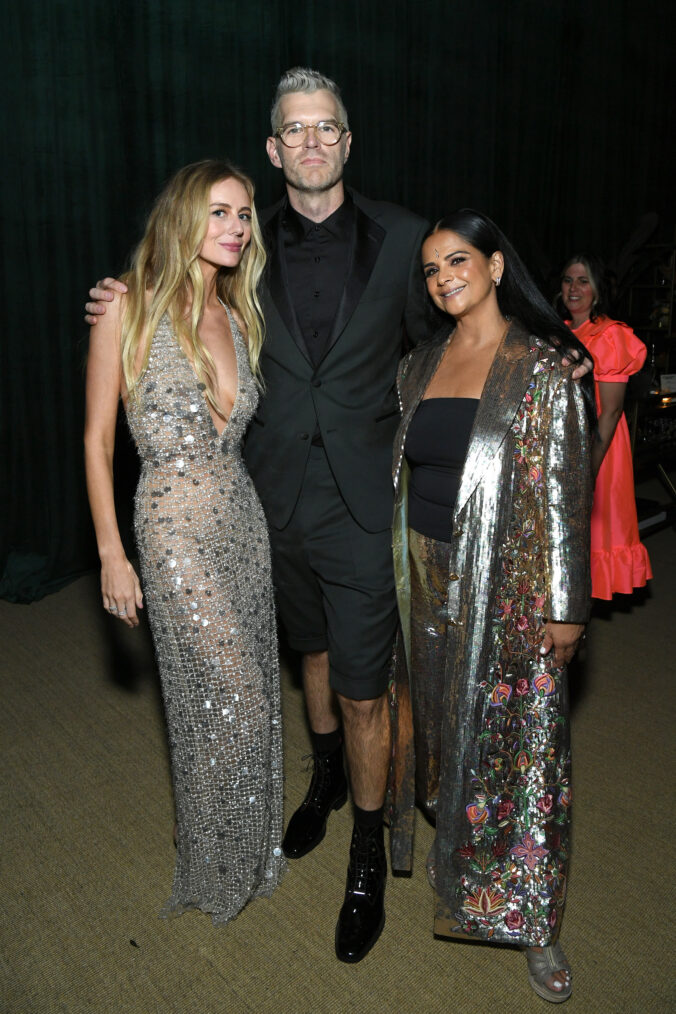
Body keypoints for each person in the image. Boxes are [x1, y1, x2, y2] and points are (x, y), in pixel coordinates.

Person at [84, 68, 592, 963]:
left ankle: (366, 845)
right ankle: (321, 781)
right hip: (263, 505)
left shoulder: (401, 236)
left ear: (347, 142)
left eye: (329, 128)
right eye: (294, 131)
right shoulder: (244, 246)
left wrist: (551, 343)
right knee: (307, 656)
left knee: (363, 683)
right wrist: (117, 295)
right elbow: (174, 293)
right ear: (275, 149)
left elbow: (453, 318)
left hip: (365, 505)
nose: (312, 143)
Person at [388, 210, 595, 1003]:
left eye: (459, 260)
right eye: (433, 268)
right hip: (423, 577)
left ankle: (535, 919)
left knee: (522, 749)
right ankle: (462, 863)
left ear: (498, 266)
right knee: (442, 734)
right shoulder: (420, 364)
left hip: (510, 591)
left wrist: (566, 606)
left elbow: (566, 496)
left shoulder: (542, 368)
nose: (445, 277)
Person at [84, 159, 286, 926]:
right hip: (169, 527)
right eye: (219, 213)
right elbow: (98, 438)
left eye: (244, 215)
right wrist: (110, 551)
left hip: (241, 517)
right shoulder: (126, 307)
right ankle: (205, 840)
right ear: (183, 218)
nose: (235, 228)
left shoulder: (239, 313)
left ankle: (233, 843)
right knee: (225, 694)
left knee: (251, 694)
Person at [558, 255, 652, 599]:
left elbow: (611, 412)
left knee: (593, 535)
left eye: (583, 281)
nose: (574, 288)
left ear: (597, 290)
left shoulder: (610, 335)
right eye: (568, 280)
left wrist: (589, 469)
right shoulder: (561, 331)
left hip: (600, 445)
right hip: (566, 439)